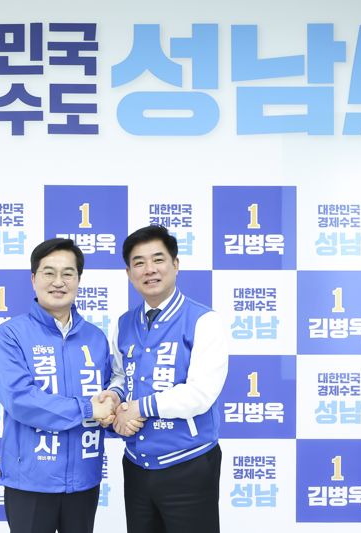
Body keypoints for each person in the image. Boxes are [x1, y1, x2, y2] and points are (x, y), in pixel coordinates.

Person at [0, 238, 118, 533]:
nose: (58, 282)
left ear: (78, 280)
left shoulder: (95, 338)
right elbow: (19, 400)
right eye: (49, 273)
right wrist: (88, 409)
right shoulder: (11, 334)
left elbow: (106, 396)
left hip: (84, 479)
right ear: (33, 279)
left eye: (68, 273)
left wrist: (115, 410)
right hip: (31, 481)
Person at [108, 225, 229, 533]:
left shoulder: (204, 321)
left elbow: (200, 393)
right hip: (136, 464)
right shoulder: (123, 323)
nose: (149, 269)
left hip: (188, 464)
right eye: (139, 262)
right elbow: (121, 375)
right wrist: (115, 402)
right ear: (129, 273)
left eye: (158, 259)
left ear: (175, 265)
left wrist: (138, 408)